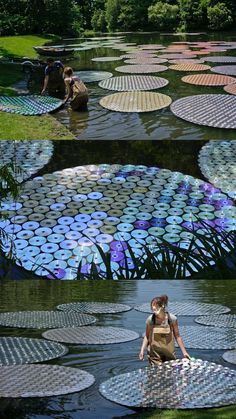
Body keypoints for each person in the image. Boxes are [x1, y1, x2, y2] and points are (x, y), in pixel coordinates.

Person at [139, 295, 191, 365]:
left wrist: (184, 352)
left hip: (169, 353)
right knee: (155, 374)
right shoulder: (150, 319)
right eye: (152, 307)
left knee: (169, 373)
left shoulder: (172, 319)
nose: (154, 308)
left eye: (156, 306)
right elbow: (147, 336)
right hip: (155, 354)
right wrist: (142, 350)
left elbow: (177, 336)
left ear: (162, 306)